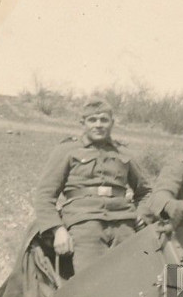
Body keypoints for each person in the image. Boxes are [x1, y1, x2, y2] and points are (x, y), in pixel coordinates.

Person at [33, 99, 151, 273]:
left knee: (129, 281)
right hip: (85, 225)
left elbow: (147, 191)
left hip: (124, 225)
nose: (98, 125)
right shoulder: (67, 151)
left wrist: (142, 213)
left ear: (112, 123)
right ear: (83, 123)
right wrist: (57, 230)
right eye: (92, 120)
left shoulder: (124, 153)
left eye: (104, 120)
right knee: (90, 285)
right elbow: (44, 195)